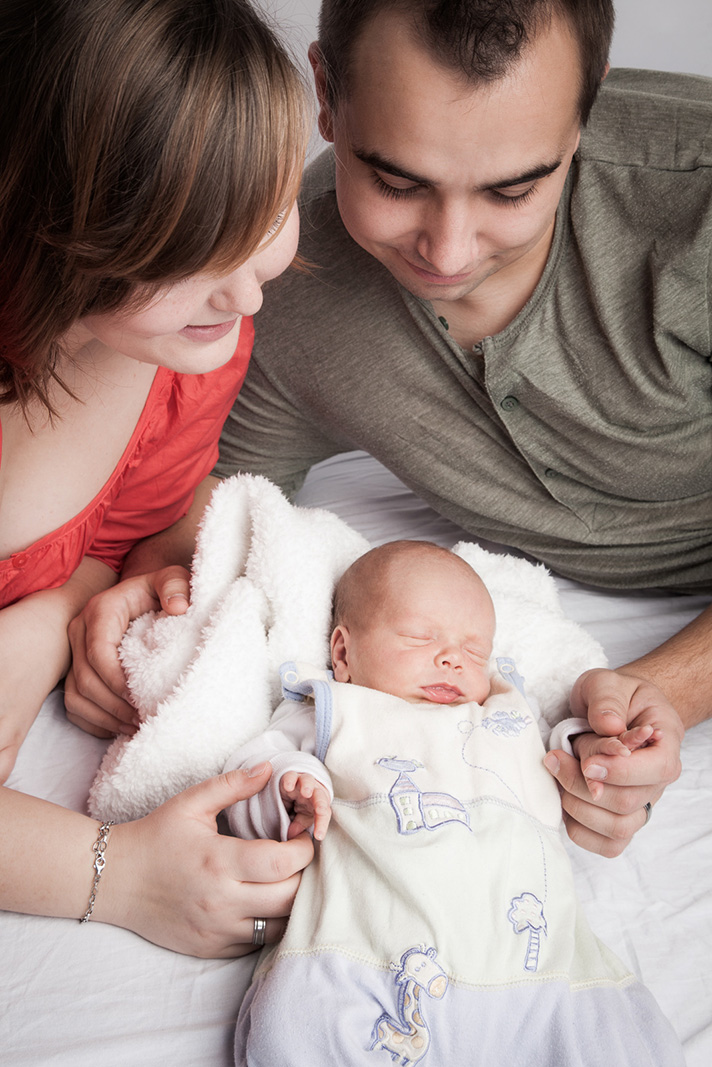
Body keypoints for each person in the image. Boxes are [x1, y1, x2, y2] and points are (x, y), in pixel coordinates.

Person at [65, 0, 706, 857]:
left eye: (512, 190)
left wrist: (639, 695)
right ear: (326, 92)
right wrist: (154, 585)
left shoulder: (692, 204)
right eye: (397, 183)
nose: (446, 250)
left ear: (585, 111)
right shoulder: (278, 278)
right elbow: (214, 497)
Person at [0, 0, 315, 955]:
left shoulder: (189, 357)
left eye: (268, 215)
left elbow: (148, 519)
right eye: (192, 255)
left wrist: (82, 599)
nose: (249, 289)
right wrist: (118, 874)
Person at [223, 541, 683, 1066]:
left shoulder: (504, 712)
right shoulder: (337, 709)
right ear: (344, 653)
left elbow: (561, 765)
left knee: (620, 1044)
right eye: (421, 637)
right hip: (372, 963)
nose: (453, 659)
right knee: (303, 1032)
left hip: (545, 979)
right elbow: (251, 772)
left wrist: (596, 748)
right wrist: (292, 784)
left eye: (475, 652)